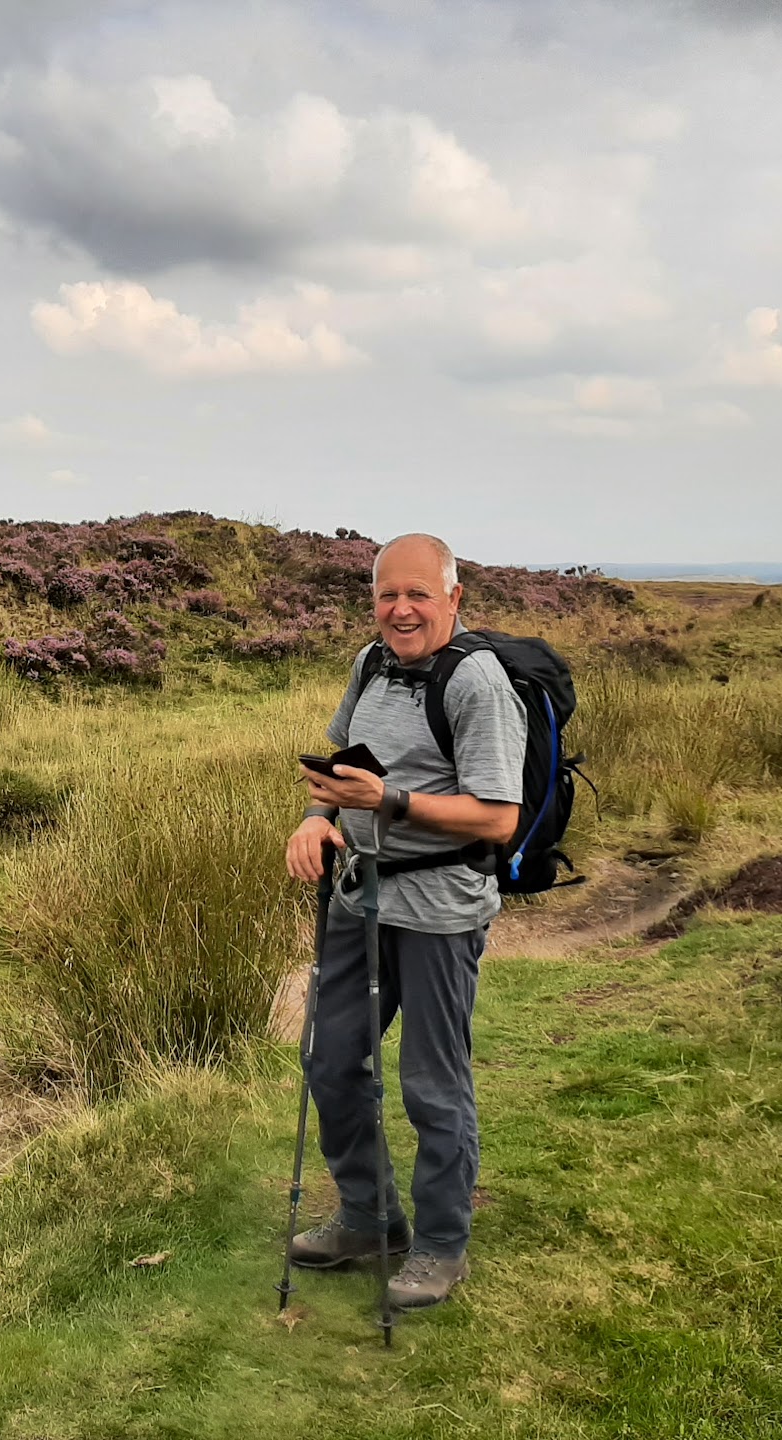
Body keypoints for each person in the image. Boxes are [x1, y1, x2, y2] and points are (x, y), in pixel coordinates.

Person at [283, 532, 526, 1309]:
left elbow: (499, 818)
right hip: (360, 896)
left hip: (440, 911)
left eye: (419, 594)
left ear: (454, 598)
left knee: (431, 1081)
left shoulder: (478, 685)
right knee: (330, 1056)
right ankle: (368, 1217)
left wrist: (389, 802)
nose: (402, 609)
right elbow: (341, 774)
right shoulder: (371, 664)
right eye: (388, 594)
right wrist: (316, 820)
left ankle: (442, 1246)